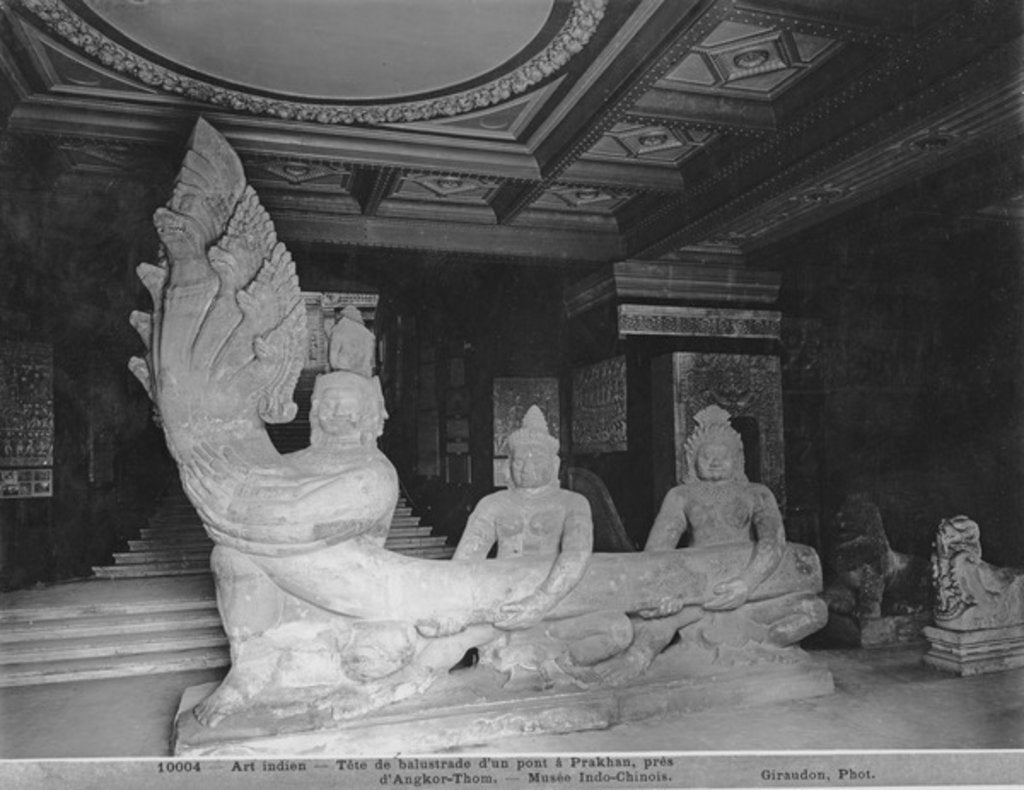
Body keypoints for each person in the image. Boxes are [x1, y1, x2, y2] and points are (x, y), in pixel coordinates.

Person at [594, 404, 826, 684]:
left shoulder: (757, 494)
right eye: (707, 455)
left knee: (815, 612)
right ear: (692, 458)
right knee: (652, 625)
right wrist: (664, 590)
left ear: (738, 459)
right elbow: (657, 553)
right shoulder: (681, 496)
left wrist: (746, 584)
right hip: (701, 588)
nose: (715, 462)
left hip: (749, 587)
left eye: (722, 455)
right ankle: (639, 657)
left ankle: (762, 643)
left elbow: (773, 543)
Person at [454, 405, 632, 683]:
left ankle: (560, 664)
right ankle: (510, 660)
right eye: (519, 461)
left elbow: (576, 555)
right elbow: (464, 562)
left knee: (618, 630)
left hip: (557, 603)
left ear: (555, 465)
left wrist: (540, 602)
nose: (527, 467)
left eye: (537, 460)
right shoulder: (492, 505)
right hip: (504, 606)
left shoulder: (572, 503)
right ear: (507, 466)